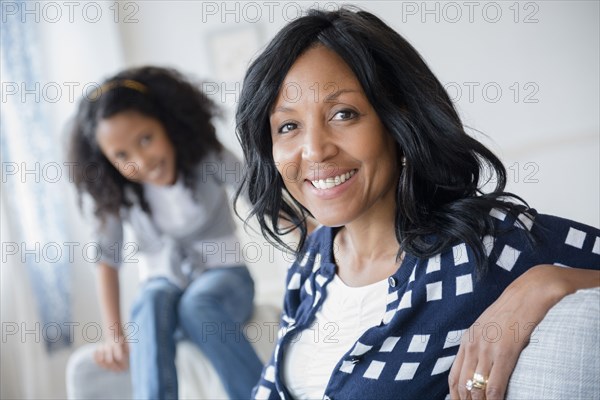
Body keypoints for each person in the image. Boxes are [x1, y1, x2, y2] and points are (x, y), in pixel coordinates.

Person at [234, 7, 600, 400]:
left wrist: (549, 281)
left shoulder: (484, 243)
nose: (315, 150)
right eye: (288, 126)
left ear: (398, 122)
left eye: (344, 114)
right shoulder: (311, 264)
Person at [67, 66, 263, 400]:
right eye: (122, 156)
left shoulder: (208, 158)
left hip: (224, 278)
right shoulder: (120, 195)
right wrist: (115, 335)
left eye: (146, 139)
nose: (142, 161)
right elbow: (107, 262)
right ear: (108, 162)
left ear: (167, 125)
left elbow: (261, 198)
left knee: (196, 304)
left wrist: (311, 233)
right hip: (164, 286)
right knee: (151, 298)